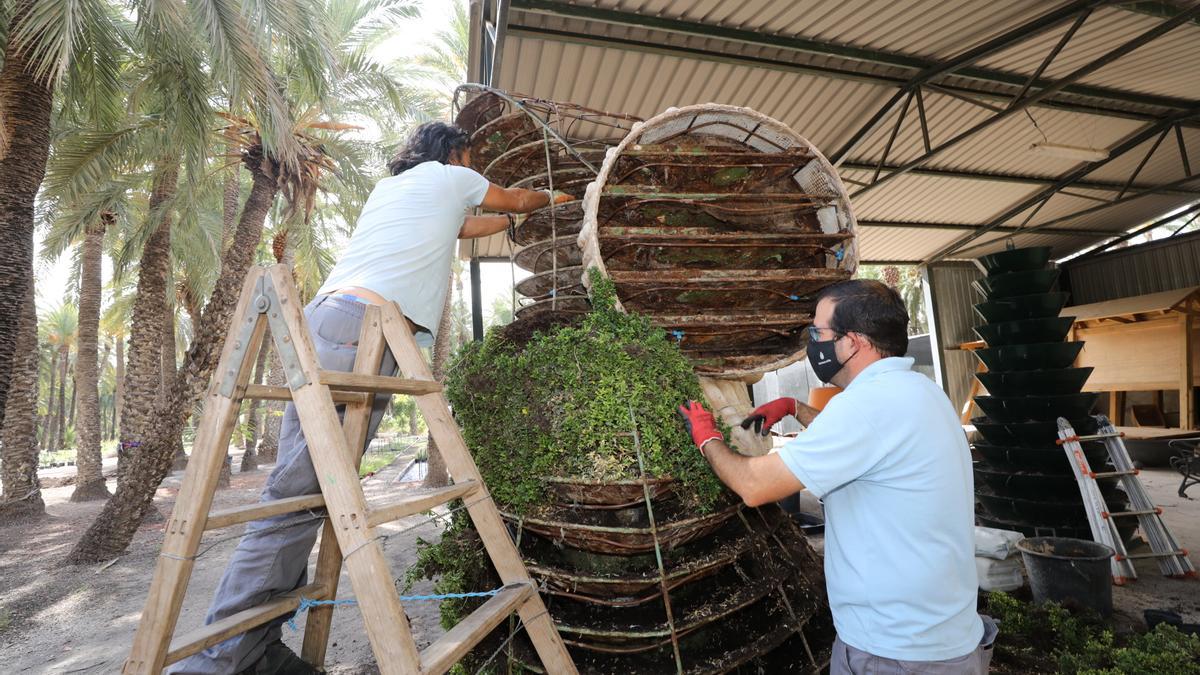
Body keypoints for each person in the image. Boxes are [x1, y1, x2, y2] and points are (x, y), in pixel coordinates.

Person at [171, 122, 572, 675]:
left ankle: (255, 646)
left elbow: (465, 226)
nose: (470, 165)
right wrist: (556, 197)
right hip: (360, 329)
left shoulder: (395, 190)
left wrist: (503, 219)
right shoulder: (452, 176)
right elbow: (518, 198)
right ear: (454, 153)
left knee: (305, 495)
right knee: (296, 495)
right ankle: (219, 660)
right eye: (469, 157)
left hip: (335, 321)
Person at [678, 279, 997, 674]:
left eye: (819, 332)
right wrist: (796, 407)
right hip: (939, 636)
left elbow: (754, 486)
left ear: (852, 343)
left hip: (897, 653)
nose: (813, 343)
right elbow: (872, 446)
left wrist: (708, 436)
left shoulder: (866, 407)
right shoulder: (919, 391)